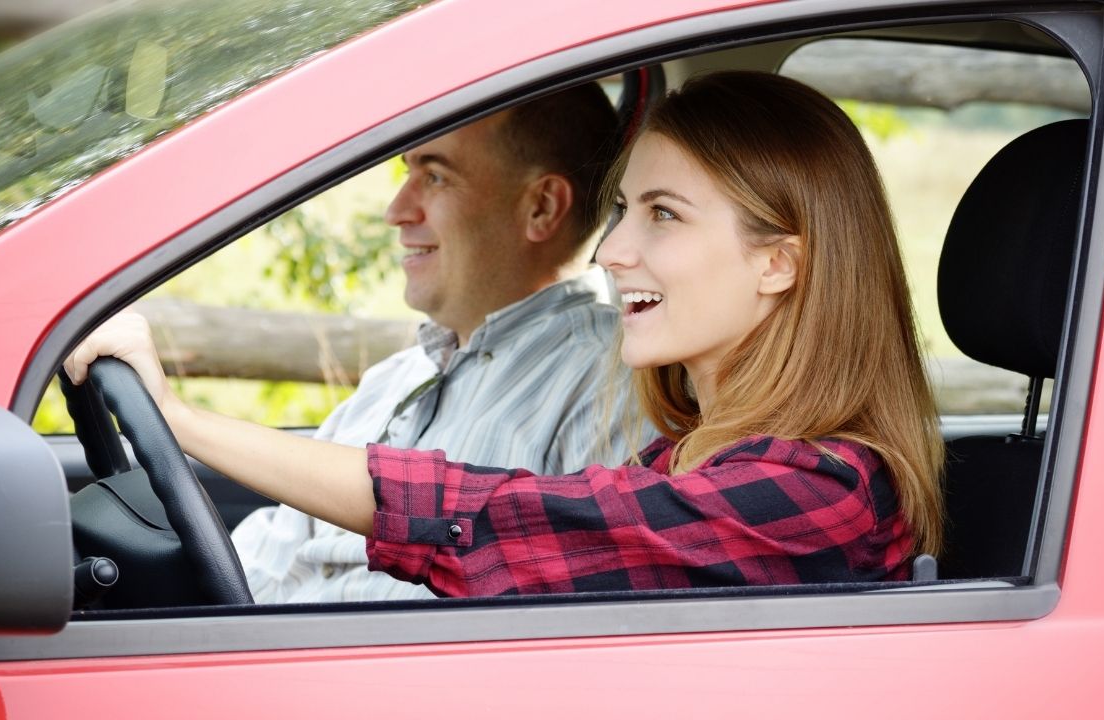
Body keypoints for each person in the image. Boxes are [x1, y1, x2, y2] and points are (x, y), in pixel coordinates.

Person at [66, 71, 945, 597]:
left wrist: (184, 422)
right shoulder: (682, 460)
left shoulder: (822, 497)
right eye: (626, 210)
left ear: (779, 263)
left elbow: (510, 522)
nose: (616, 250)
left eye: (663, 216)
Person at [229, 82, 638, 602]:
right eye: (408, 175)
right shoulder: (396, 378)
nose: (397, 211)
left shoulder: (610, 386)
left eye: (436, 176)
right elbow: (266, 559)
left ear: (541, 206)